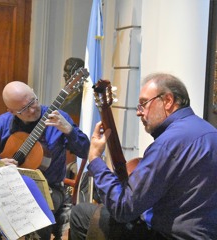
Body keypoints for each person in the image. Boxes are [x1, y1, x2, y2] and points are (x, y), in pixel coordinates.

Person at [69, 73, 217, 240]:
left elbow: (123, 208)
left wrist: (95, 159)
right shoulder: (211, 132)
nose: (139, 113)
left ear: (168, 101)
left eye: (144, 104)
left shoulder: (167, 144)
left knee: (81, 215)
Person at [0, 81, 90, 240]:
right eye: (24, 109)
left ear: (33, 91)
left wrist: (69, 131)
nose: (32, 109)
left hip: (49, 189)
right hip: (10, 187)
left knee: (35, 212)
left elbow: (86, 151)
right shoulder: (3, 122)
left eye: (33, 101)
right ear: (11, 111)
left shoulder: (58, 118)